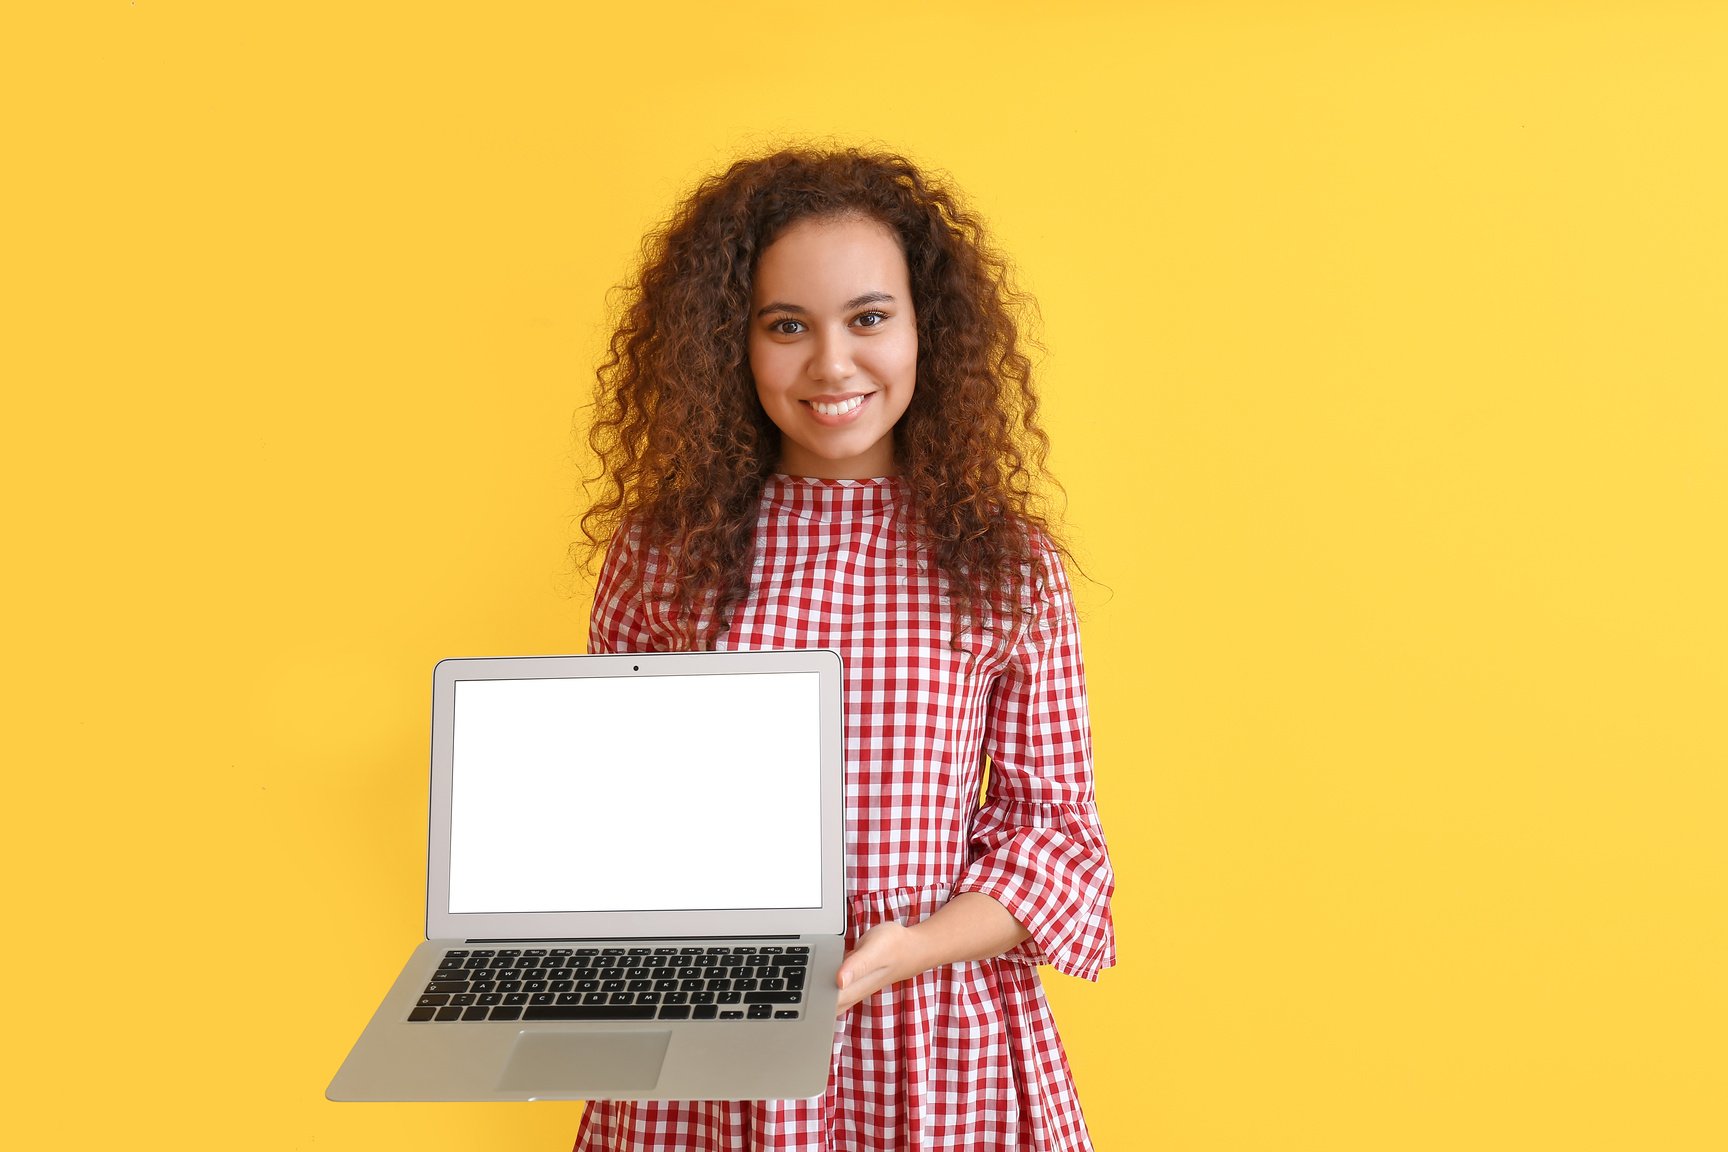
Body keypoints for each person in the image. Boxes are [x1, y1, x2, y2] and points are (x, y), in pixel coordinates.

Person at [575, 146, 1115, 1151]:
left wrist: (904, 949)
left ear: (927, 332)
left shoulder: (1006, 563)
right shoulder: (661, 555)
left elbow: (1059, 841)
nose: (831, 364)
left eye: (869, 318)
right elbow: (615, 818)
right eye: (787, 326)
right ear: (729, 347)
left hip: (939, 1040)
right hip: (714, 1039)